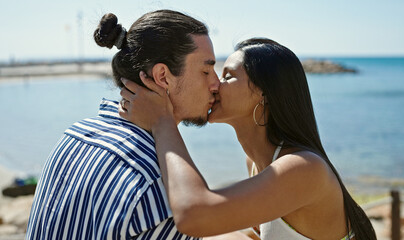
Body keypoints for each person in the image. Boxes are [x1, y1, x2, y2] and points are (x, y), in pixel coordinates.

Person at [119, 38, 377, 239]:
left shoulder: (303, 169)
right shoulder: (255, 162)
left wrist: (163, 122)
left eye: (229, 76)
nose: (216, 84)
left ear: (263, 95)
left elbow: (194, 216)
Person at [26, 10, 231, 239]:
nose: (217, 83)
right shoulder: (165, 191)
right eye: (206, 70)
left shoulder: (74, 135)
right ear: (163, 76)